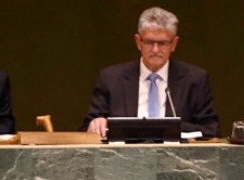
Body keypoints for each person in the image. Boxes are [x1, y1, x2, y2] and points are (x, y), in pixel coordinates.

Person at [80, 7, 221, 138]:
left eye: (162, 43)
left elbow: (211, 131)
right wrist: (96, 123)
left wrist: (167, 128)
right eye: (149, 42)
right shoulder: (110, 79)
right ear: (138, 42)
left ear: (173, 44)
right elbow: (86, 128)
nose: (155, 50)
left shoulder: (195, 79)